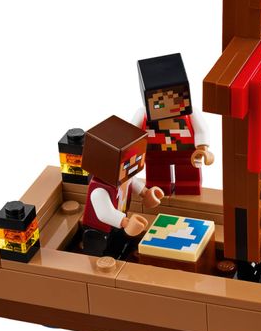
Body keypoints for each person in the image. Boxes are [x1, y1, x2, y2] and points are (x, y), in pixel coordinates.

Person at [79, 115, 164, 258]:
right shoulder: (99, 190)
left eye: (137, 159)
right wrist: (125, 223)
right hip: (99, 229)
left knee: (119, 241)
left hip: (119, 220)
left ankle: (120, 252)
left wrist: (146, 193)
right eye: (128, 163)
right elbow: (104, 213)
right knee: (101, 248)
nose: (133, 165)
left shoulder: (124, 177)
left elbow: (133, 182)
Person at [130, 53, 214, 196]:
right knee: (158, 180)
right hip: (155, 155)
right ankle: (158, 190)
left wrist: (202, 148)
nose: (169, 105)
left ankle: (188, 186)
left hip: (186, 153)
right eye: (159, 103)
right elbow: (132, 134)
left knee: (188, 178)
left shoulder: (191, 113)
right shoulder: (142, 114)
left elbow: (202, 130)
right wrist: (133, 154)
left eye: (176, 99)